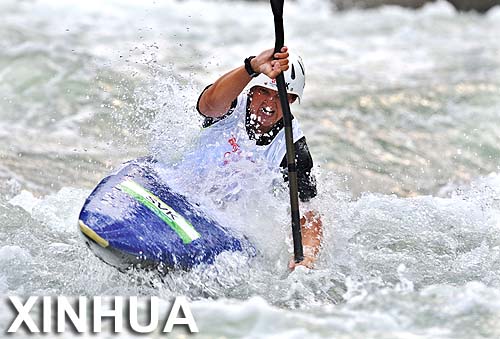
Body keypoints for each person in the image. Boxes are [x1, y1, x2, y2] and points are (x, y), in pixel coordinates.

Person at [196, 46, 323, 269]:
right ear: (251, 91)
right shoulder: (231, 103)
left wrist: (307, 256)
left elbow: (309, 213)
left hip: (219, 220)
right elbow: (208, 105)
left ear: (291, 100)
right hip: (180, 190)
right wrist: (252, 67)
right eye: (263, 92)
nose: (269, 103)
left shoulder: (293, 149)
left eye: (280, 97)